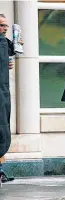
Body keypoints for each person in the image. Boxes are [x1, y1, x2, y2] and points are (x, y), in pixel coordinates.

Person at [0, 14, 15, 184]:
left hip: (4, 90)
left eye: (6, 25)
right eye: (1, 25)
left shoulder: (5, 43)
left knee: (3, 127)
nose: (4, 29)